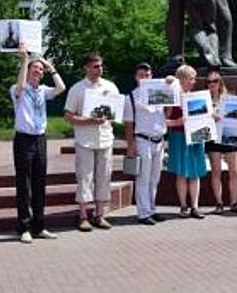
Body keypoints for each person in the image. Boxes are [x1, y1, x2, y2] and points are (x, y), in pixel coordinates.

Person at [10, 45, 65, 243]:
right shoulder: (18, 90)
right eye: (36, 68)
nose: (38, 71)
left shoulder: (43, 90)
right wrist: (25, 60)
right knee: (24, 184)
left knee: (39, 183)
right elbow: (19, 86)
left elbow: (61, 88)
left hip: (40, 139)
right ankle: (24, 227)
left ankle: (39, 226)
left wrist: (52, 68)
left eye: (40, 70)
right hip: (23, 139)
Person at [64, 53, 120, 231]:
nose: (99, 69)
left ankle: (99, 215)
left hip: (105, 139)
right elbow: (68, 116)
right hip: (85, 141)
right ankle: (83, 216)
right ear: (86, 68)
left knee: (104, 176)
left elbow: (116, 112)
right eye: (95, 66)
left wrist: (112, 114)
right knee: (85, 178)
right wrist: (89, 121)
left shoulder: (110, 87)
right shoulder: (77, 89)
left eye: (101, 66)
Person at [124, 63, 171, 225]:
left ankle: (152, 208)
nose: (144, 77)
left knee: (155, 178)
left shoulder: (158, 93)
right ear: (136, 78)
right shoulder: (131, 97)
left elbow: (166, 114)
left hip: (159, 139)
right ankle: (143, 213)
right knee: (143, 178)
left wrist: (169, 95)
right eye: (141, 74)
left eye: (147, 74)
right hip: (143, 139)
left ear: (151, 76)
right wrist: (131, 145)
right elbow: (129, 124)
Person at [166, 64, 207, 218]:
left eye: (194, 79)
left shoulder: (196, 98)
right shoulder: (172, 98)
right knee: (182, 172)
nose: (194, 82)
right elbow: (164, 121)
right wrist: (176, 122)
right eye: (191, 78)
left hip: (196, 135)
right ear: (182, 79)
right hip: (179, 136)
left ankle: (195, 206)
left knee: (195, 171)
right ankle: (183, 205)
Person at [204, 70, 237, 214]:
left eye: (215, 81)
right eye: (209, 82)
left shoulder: (230, 98)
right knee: (216, 172)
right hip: (213, 138)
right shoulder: (204, 100)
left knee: (234, 172)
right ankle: (219, 203)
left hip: (230, 137)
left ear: (220, 83)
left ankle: (234, 202)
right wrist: (210, 116)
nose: (211, 84)